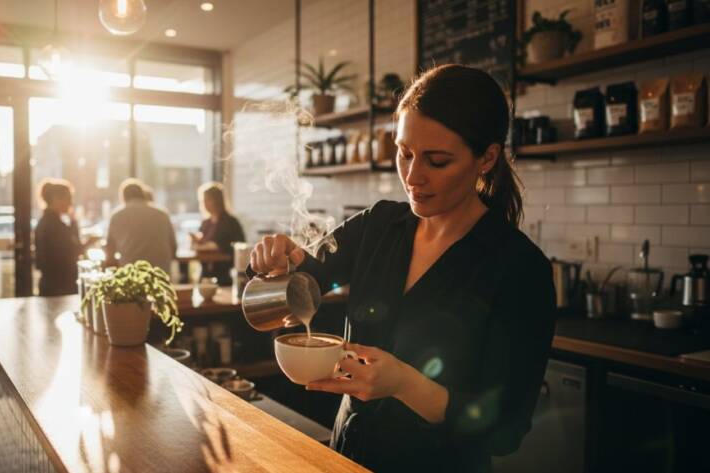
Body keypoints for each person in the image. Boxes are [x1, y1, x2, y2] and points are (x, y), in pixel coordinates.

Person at [249, 65, 557, 472]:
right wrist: (278, 264)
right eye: (404, 153)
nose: (412, 176)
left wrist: (405, 384)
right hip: (348, 456)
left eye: (437, 161)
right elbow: (305, 284)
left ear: (487, 157)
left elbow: (506, 429)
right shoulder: (379, 225)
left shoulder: (518, 268)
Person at [104, 178, 177, 271]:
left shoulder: (116, 216)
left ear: (123, 197)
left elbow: (110, 250)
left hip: (131, 271)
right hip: (160, 272)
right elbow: (173, 247)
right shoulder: (162, 214)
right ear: (142, 194)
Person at [34, 179, 89, 296]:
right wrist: (75, 223)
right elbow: (73, 250)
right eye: (68, 198)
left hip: (50, 284)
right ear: (56, 199)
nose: (71, 203)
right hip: (60, 286)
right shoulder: (54, 225)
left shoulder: (46, 222)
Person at [191, 182, 245, 285]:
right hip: (205, 275)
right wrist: (197, 242)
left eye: (208, 200)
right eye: (203, 200)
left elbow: (238, 246)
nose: (205, 203)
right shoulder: (205, 223)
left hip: (223, 275)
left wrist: (216, 247)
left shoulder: (230, 222)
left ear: (217, 200)